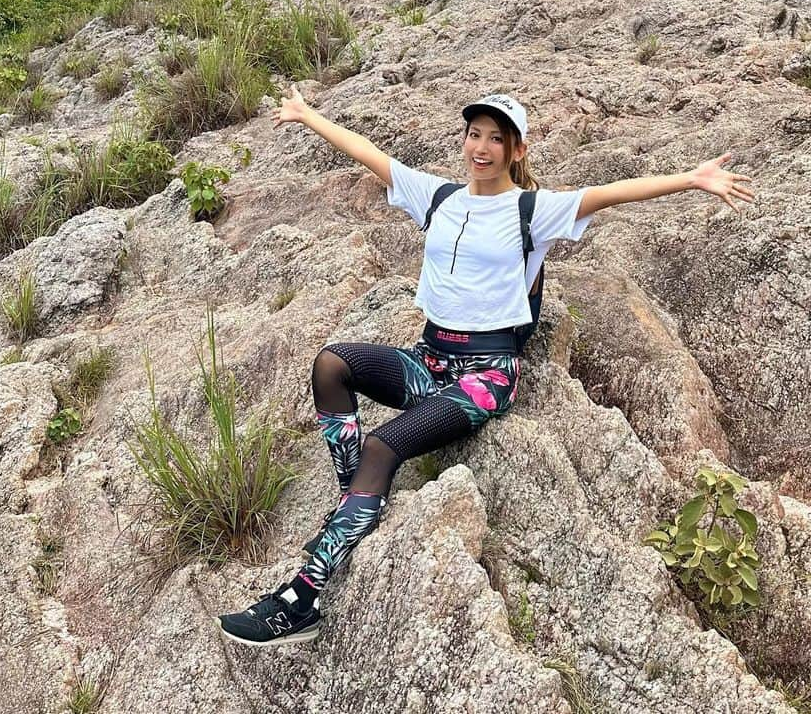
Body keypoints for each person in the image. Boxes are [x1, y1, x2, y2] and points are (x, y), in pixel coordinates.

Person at [217, 88, 754, 646]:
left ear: (516, 150)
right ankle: (357, 497)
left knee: (383, 446)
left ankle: (303, 596)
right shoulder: (439, 196)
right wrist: (308, 116)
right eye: (475, 133)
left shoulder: (532, 209)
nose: (482, 146)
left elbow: (610, 194)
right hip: (430, 360)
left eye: (497, 138)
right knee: (332, 365)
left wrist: (691, 179)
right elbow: (369, 154)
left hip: (485, 374)